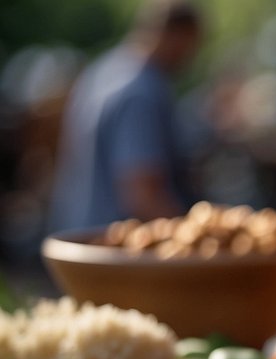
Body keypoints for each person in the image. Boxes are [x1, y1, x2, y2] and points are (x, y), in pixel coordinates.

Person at [49, 1, 202, 232]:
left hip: (78, 234)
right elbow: (143, 197)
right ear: (175, 35)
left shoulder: (103, 69)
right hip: (117, 247)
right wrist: (198, 236)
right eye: (191, 46)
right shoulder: (142, 91)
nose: (190, 58)